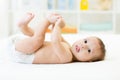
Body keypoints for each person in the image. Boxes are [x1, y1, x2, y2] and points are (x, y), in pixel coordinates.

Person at [9, 12, 105, 64]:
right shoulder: (68, 46)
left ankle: (44, 21)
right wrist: (56, 22)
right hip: (27, 48)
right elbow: (57, 35)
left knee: (38, 40)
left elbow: (55, 41)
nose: (83, 46)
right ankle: (24, 27)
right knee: (36, 36)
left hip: (26, 54)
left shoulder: (67, 57)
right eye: (85, 41)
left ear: (89, 61)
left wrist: (55, 24)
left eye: (89, 50)